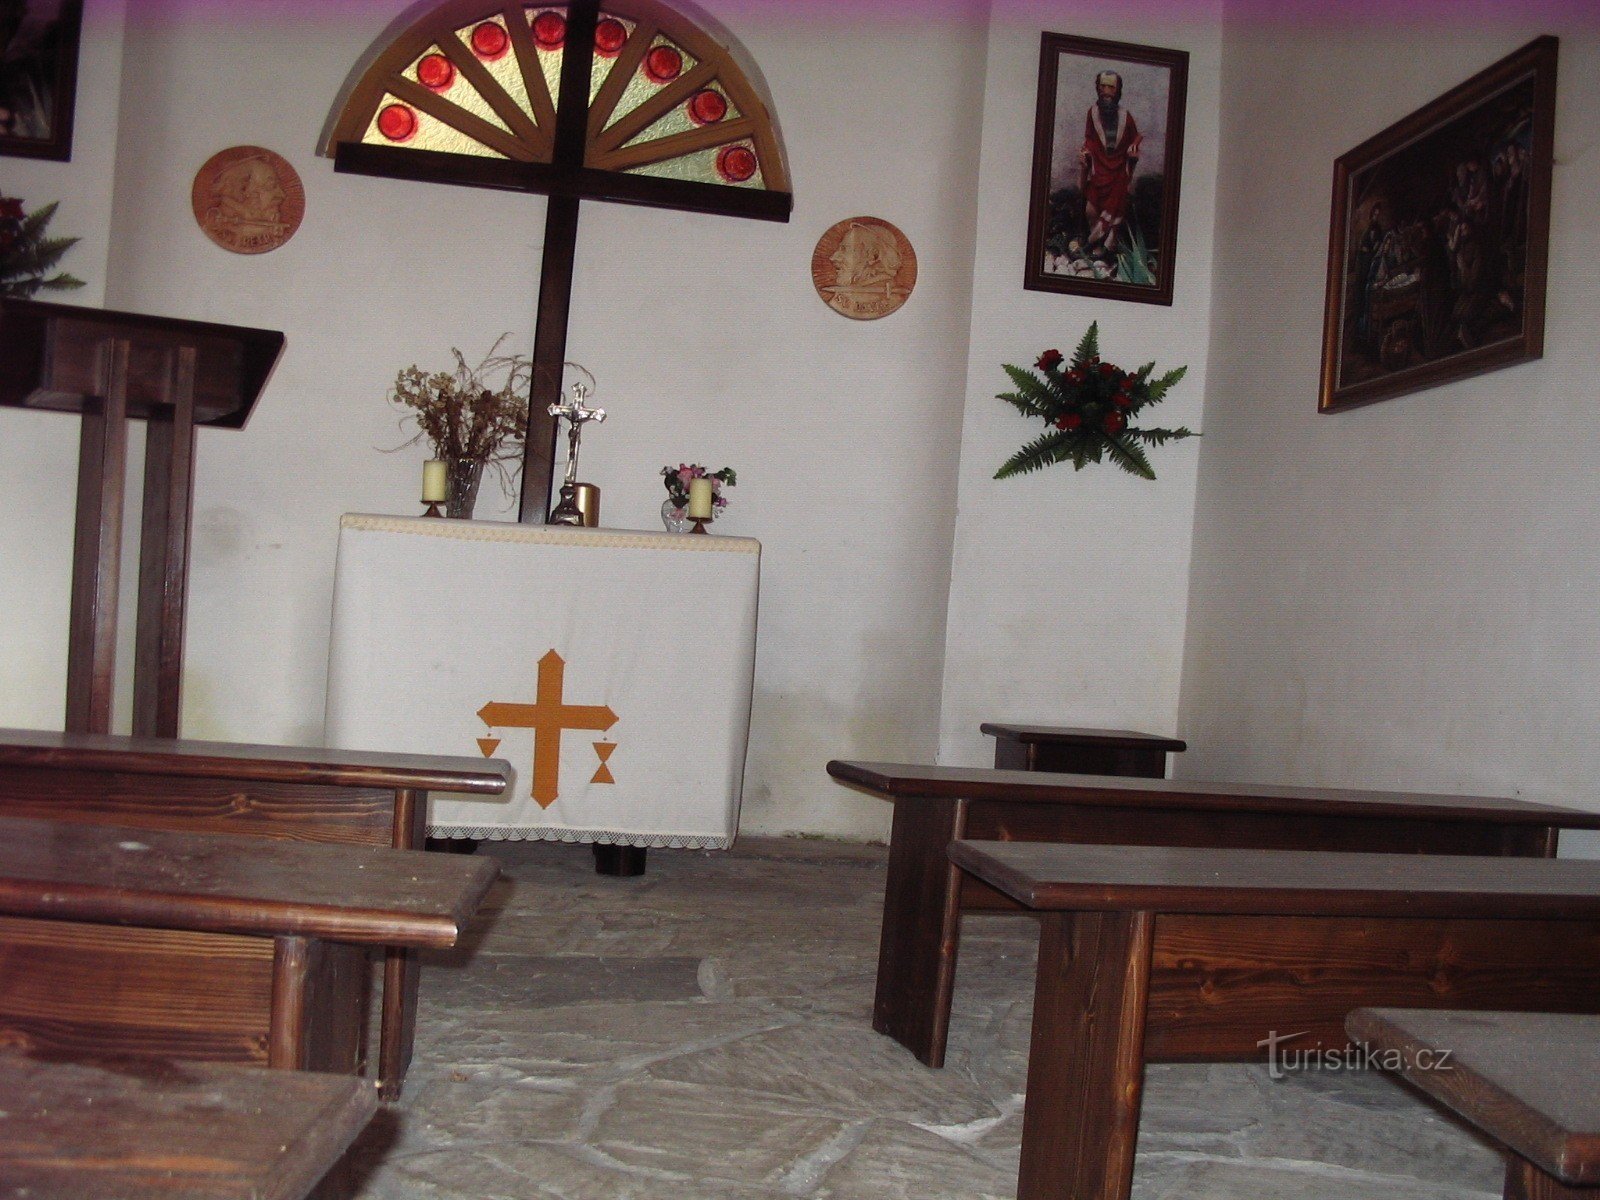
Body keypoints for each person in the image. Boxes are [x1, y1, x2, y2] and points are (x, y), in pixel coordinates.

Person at [1079, 70, 1143, 262]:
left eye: (1111, 87)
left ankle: (1106, 250)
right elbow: (1089, 138)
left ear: (1118, 90)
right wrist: (1085, 152)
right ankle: (1097, 243)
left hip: (1118, 172)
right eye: (1103, 86)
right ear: (1098, 88)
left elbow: (1134, 139)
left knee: (1115, 211)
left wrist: (1133, 153)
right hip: (1098, 169)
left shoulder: (1125, 116)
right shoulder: (1092, 113)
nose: (1106, 91)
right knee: (1091, 210)